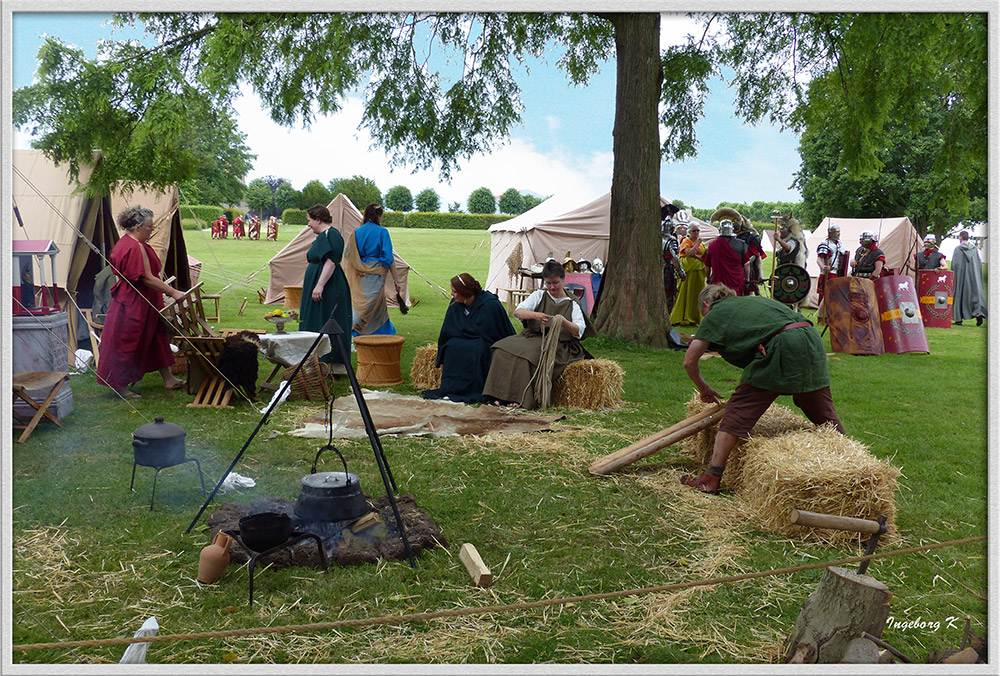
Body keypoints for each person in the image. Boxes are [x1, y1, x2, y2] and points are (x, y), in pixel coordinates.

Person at [680, 284, 845, 494]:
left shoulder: (716, 311)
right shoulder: (750, 302)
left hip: (783, 342)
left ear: (706, 304)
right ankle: (851, 458)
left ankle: (711, 478)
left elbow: (689, 361)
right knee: (823, 413)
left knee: (737, 412)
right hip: (811, 339)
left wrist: (703, 388)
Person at [96, 206, 187, 398]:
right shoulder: (132, 246)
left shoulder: (130, 243)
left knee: (156, 337)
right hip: (133, 303)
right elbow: (146, 278)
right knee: (126, 342)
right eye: (149, 227)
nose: (151, 231)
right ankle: (119, 385)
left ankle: (169, 379)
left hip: (143, 301)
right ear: (137, 226)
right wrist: (173, 292)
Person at [482, 260, 595, 409]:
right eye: (548, 283)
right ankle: (496, 395)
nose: (551, 287)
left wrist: (562, 322)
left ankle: (520, 399)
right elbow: (518, 312)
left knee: (529, 355)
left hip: (559, 344)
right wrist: (535, 316)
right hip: (533, 336)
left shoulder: (571, 302)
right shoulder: (539, 295)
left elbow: (578, 330)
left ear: (563, 279)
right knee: (501, 348)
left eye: (555, 283)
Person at [422, 273, 516, 403]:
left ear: (464, 292)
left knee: (476, 349)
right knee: (451, 347)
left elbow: (496, 333)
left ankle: (476, 390)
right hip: (463, 339)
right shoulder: (455, 304)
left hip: (485, 342)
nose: (451, 294)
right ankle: (452, 389)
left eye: (454, 291)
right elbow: (448, 330)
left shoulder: (490, 304)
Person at [298, 204, 352, 369]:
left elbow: (331, 260)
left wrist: (320, 285)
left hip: (329, 286)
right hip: (318, 282)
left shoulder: (331, 235)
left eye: (310, 220)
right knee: (314, 318)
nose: (308, 225)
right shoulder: (323, 235)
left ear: (318, 219)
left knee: (326, 319)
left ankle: (329, 362)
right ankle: (314, 360)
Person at [342, 203, 402, 336]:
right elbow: (388, 256)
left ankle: (370, 330)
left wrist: (359, 263)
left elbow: (347, 253)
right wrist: (394, 278)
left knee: (361, 301)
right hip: (377, 271)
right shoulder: (382, 231)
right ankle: (356, 330)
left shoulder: (357, 231)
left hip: (359, 271)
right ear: (379, 215)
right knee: (372, 303)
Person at [670, 223, 707, 325]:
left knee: (697, 293)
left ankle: (695, 317)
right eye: (694, 231)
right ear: (689, 232)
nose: (696, 233)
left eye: (698, 230)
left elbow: (704, 256)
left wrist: (698, 257)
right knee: (686, 292)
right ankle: (684, 317)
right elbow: (689, 253)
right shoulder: (686, 241)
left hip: (699, 271)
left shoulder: (702, 243)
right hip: (689, 270)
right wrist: (697, 245)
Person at [951, 230, 987, 326]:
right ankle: (978, 313)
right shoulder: (974, 249)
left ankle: (958, 319)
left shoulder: (958, 249)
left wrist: (953, 274)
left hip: (961, 277)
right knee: (975, 295)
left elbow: (955, 264)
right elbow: (978, 263)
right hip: (973, 276)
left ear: (960, 237)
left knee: (959, 294)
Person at [704, 219, 749, 294]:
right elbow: (746, 264)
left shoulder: (712, 245)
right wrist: (747, 278)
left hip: (717, 281)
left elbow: (707, 266)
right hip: (736, 281)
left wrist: (708, 278)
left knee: (718, 300)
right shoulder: (741, 244)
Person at [816, 223, 847, 304]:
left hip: (836, 273)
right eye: (837, 232)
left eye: (839, 232)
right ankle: (822, 313)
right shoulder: (825, 244)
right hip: (827, 273)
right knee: (825, 294)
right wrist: (823, 267)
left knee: (834, 295)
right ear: (831, 233)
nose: (838, 234)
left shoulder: (840, 245)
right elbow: (819, 259)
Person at [735, 221, 766, 296]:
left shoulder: (751, 237)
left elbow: (754, 255)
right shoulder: (731, 237)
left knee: (748, 293)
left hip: (748, 269)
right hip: (734, 269)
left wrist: (744, 262)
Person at [662, 220, 682, 314]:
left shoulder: (653, 238)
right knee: (668, 297)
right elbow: (674, 257)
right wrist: (681, 272)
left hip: (654, 271)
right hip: (667, 271)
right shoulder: (671, 240)